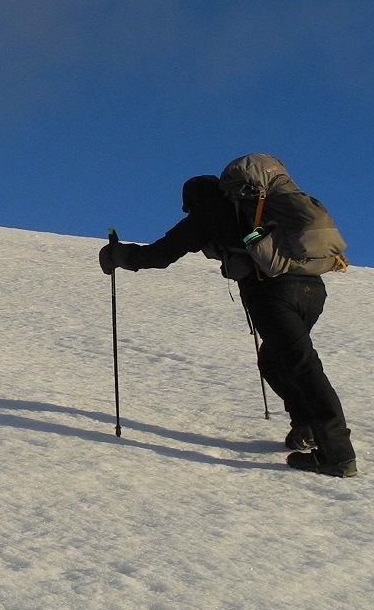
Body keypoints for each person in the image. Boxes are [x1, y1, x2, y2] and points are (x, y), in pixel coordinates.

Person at [99, 160, 359, 477]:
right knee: (274, 361)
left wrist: (115, 255)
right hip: (312, 289)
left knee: (300, 364)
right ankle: (307, 428)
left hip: (272, 294)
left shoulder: (207, 214)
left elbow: (159, 254)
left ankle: (337, 454)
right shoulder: (250, 208)